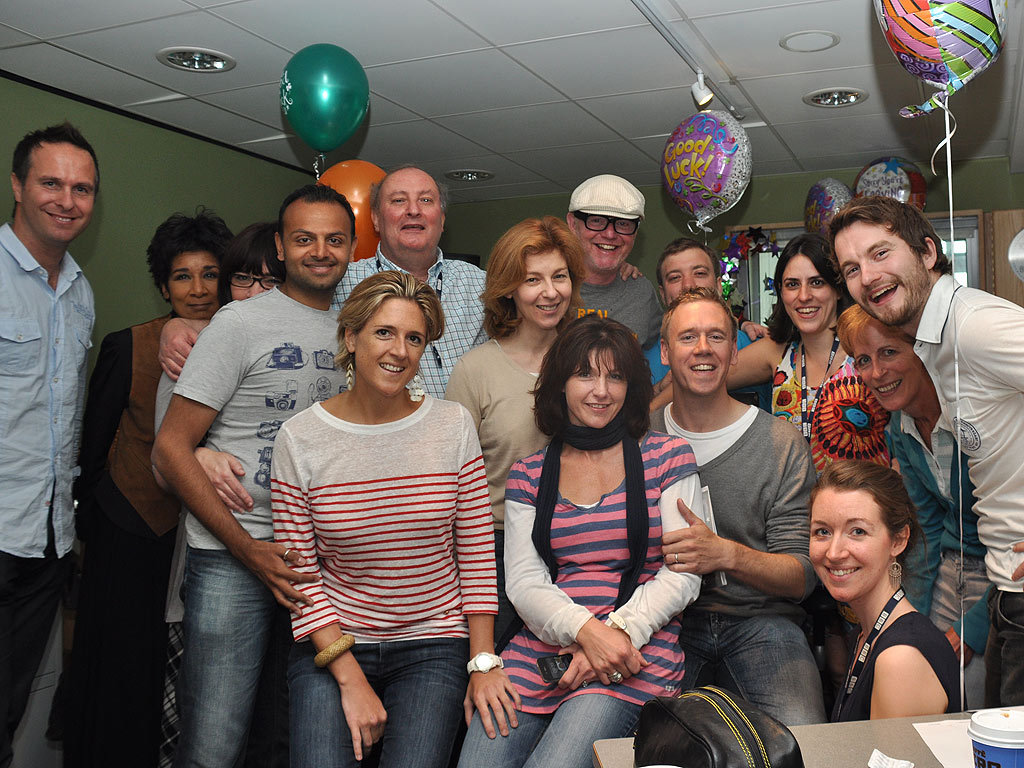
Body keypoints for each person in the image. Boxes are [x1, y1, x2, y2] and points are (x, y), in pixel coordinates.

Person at [152, 184, 355, 768]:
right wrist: (248, 549)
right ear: (281, 248)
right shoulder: (238, 323)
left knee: (293, 741)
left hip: (319, 562)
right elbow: (171, 448)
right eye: (305, 239)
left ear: (352, 248)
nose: (320, 251)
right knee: (213, 745)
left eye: (335, 239)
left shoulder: (358, 327)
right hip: (230, 559)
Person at [271, 270, 504, 768]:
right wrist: (350, 679)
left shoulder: (452, 426)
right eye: (384, 332)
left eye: (414, 338)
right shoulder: (299, 439)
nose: (399, 351)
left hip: (433, 644)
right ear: (350, 337)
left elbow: (476, 553)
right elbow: (299, 577)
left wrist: (483, 662)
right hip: (335, 641)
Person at [458, 316, 704, 768]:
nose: (601, 391)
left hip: (633, 656)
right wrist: (589, 633)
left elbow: (683, 574)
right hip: (543, 654)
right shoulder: (529, 474)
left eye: (616, 377)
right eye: (585, 374)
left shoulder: (668, 457)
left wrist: (618, 634)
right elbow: (525, 581)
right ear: (560, 383)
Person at [831, 195, 1024, 707]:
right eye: (852, 268)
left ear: (928, 252)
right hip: (1007, 589)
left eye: (880, 253)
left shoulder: (972, 326)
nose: (868, 276)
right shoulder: (936, 349)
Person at [65, 209, 230, 767]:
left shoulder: (241, 343)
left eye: (210, 274)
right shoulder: (129, 344)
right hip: (129, 531)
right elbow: (93, 444)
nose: (198, 289)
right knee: (120, 670)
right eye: (183, 276)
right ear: (163, 285)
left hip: (203, 538)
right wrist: (94, 524)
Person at [651, 288, 825, 726]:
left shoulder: (781, 444)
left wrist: (725, 554)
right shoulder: (640, 440)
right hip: (664, 625)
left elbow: (802, 576)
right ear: (665, 352)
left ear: (733, 352)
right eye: (688, 337)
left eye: (716, 336)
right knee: (641, 740)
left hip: (762, 623)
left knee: (805, 736)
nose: (703, 348)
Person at [0, 121, 98, 768]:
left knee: (7, 711)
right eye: (51, 183)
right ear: (18, 185)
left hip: (46, 541)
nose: (67, 200)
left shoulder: (79, 292)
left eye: (82, 188)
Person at [837, 304, 990, 708]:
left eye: (889, 352)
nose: (876, 372)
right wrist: (904, 623)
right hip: (948, 568)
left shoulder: (974, 415)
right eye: (863, 360)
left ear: (922, 350)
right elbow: (926, 532)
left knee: (971, 698)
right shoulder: (900, 428)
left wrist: (974, 628)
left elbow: (1013, 534)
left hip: (1003, 574)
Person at [445, 216, 585, 643]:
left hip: (583, 540)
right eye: (532, 279)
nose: (550, 292)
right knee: (500, 668)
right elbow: (452, 479)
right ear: (508, 288)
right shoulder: (475, 370)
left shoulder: (589, 360)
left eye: (559, 276)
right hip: (497, 548)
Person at [810, 460, 961, 721]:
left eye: (857, 531)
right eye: (822, 531)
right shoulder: (867, 633)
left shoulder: (900, 659)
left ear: (898, 540)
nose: (833, 553)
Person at [729, 233, 889, 471]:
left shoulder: (866, 347)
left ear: (837, 289)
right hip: (794, 495)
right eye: (792, 284)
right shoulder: (777, 352)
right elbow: (701, 378)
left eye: (817, 282)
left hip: (866, 493)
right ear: (781, 293)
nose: (804, 296)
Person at [331, 165, 486, 398]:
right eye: (398, 200)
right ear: (375, 218)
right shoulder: (340, 284)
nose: (413, 210)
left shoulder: (480, 285)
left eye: (425, 200)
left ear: (442, 219)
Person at [646, 237, 770, 410]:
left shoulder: (758, 346)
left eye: (699, 273)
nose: (688, 285)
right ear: (663, 293)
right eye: (675, 277)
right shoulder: (642, 362)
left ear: (719, 285)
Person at [566, 175, 662, 350]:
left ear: (635, 233)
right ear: (573, 224)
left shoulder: (641, 292)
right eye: (596, 221)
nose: (610, 234)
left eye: (623, 224)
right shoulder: (549, 286)